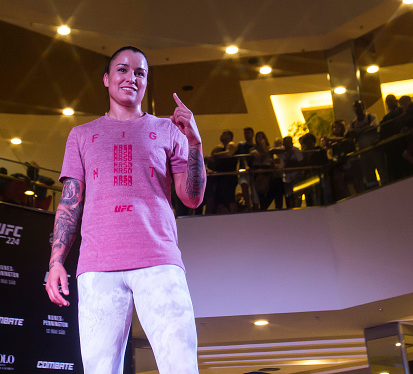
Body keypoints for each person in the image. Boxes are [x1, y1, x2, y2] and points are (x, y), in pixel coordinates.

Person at [45, 46, 206, 374]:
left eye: (140, 73)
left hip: (159, 260)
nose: (131, 77)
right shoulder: (81, 135)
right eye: (123, 70)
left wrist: (195, 144)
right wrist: (56, 262)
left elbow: (192, 198)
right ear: (107, 79)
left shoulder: (169, 130)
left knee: (181, 368)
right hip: (98, 266)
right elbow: (70, 202)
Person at [346, 100, 387, 188]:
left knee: (382, 170)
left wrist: (358, 132)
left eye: (359, 107)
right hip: (363, 152)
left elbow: (374, 126)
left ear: (363, 107)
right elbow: (348, 135)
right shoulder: (353, 123)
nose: (358, 109)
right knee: (368, 173)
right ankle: (373, 189)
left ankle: (386, 186)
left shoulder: (371, 117)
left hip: (375, 149)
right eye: (355, 107)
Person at [207, 129, 238, 213]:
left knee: (229, 200)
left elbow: (228, 154)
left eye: (224, 134)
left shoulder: (232, 144)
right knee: (220, 201)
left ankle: (234, 217)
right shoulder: (220, 148)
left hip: (229, 177)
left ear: (230, 136)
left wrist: (215, 156)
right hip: (221, 178)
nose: (221, 135)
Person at [236, 127, 256, 210]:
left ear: (252, 134)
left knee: (254, 188)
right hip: (244, 170)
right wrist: (246, 166)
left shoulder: (255, 146)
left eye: (248, 133)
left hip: (254, 170)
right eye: (245, 133)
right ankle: (248, 206)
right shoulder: (241, 145)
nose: (246, 135)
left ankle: (255, 205)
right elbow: (242, 156)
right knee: (244, 185)